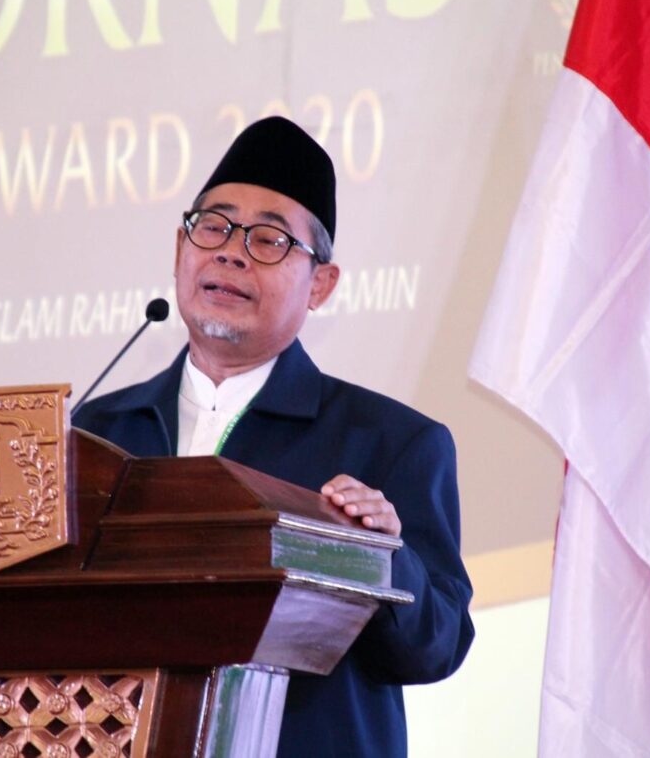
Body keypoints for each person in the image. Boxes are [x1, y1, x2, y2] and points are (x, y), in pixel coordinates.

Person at [73, 116, 473, 757]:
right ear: (179, 251)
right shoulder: (95, 434)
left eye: (268, 239)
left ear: (321, 285)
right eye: (213, 227)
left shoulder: (391, 442)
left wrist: (384, 556)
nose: (230, 252)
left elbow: (436, 648)